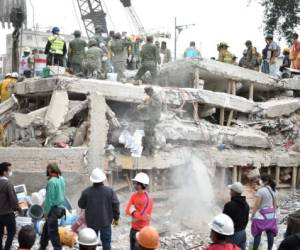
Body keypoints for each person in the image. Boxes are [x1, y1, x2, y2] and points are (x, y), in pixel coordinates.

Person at [78, 168, 120, 250]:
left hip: (92, 222)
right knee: (106, 243)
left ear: (92, 180)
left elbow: (81, 205)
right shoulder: (110, 191)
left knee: (90, 244)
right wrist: (116, 217)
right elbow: (116, 204)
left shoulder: (86, 192)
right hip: (106, 222)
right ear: (103, 179)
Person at [40, 163, 66, 250]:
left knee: (53, 232)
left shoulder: (51, 182)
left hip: (53, 210)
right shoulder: (61, 179)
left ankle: (57, 248)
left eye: (48, 170)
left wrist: (46, 213)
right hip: (60, 207)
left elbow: (49, 200)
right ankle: (42, 246)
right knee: (46, 229)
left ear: (50, 170)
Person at [125, 173, 153, 250]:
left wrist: (133, 212)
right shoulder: (134, 195)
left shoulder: (148, 198)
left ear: (142, 185)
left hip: (143, 231)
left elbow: (142, 215)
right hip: (133, 229)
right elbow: (127, 210)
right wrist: (136, 214)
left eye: (137, 183)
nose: (135, 185)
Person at [251, 174, 278, 250]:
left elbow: (257, 205)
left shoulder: (261, 190)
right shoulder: (274, 190)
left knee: (257, 233)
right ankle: (269, 248)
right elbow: (275, 205)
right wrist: (274, 215)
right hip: (271, 215)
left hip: (261, 216)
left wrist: (252, 215)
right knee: (270, 233)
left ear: (262, 181)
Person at [223, 182, 249, 250]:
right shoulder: (246, 205)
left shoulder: (229, 205)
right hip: (243, 233)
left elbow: (224, 222)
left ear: (233, 192)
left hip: (233, 235)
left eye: (231, 190)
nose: (230, 192)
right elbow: (246, 220)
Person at [0, 162, 20, 250]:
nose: (10, 172)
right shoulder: (8, 184)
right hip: (8, 214)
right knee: (11, 232)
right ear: (4, 172)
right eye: (9, 170)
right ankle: (7, 248)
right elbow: (13, 200)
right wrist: (18, 208)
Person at [137, 86, 162, 156]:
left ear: (150, 91)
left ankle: (149, 150)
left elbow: (157, 104)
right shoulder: (151, 97)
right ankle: (149, 150)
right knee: (148, 132)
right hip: (150, 117)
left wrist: (147, 104)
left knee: (149, 133)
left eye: (147, 93)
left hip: (153, 118)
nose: (147, 94)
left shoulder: (156, 97)